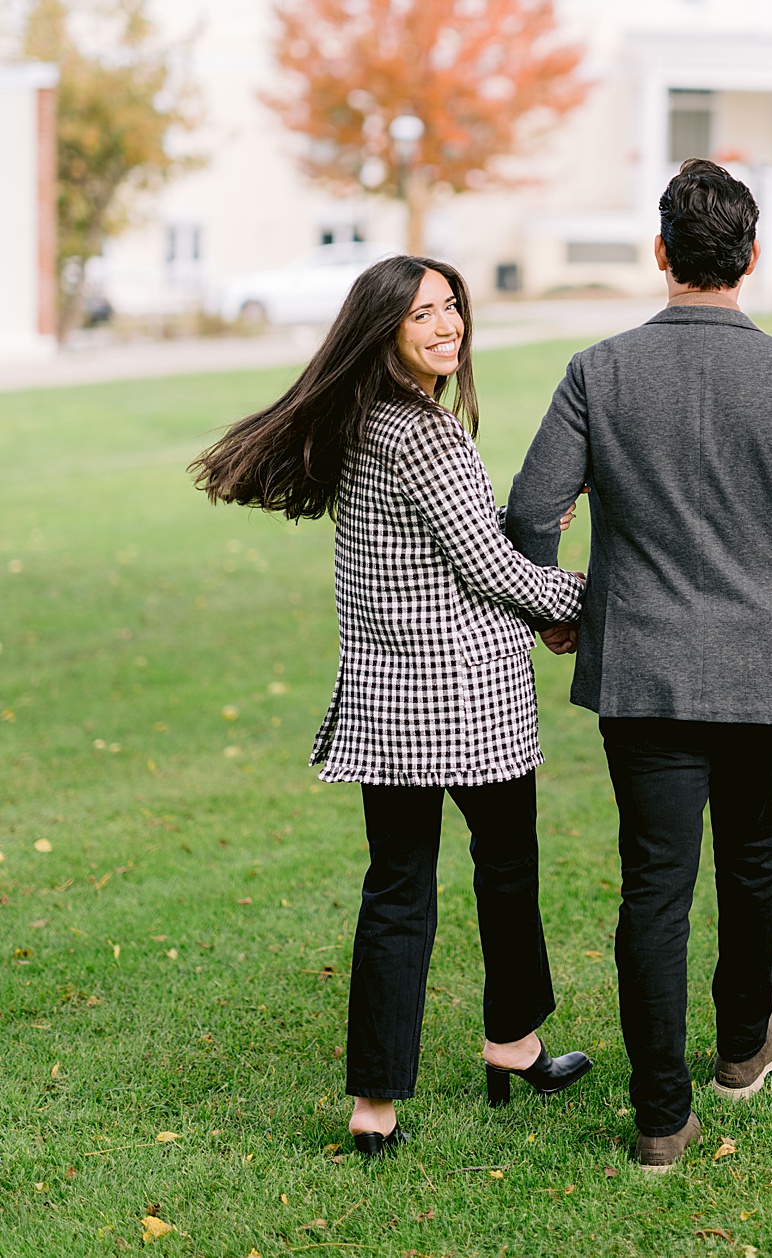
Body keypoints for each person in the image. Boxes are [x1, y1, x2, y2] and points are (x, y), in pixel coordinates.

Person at [506, 160, 772, 1173]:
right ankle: (737, 1049)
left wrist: (558, 603)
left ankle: (659, 1118)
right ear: (751, 258)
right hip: (766, 665)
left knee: (654, 888)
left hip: (643, 670)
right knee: (753, 859)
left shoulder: (599, 372)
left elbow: (526, 508)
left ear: (661, 254)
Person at [191, 254, 592, 1157]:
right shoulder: (430, 437)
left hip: (387, 705)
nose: (447, 325)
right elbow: (487, 570)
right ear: (386, 332)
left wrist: (516, 553)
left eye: (451, 307)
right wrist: (580, 601)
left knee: (398, 895)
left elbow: (443, 553)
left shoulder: (362, 425)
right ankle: (513, 1045)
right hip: (471, 703)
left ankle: (375, 1109)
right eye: (423, 315)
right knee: (507, 873)